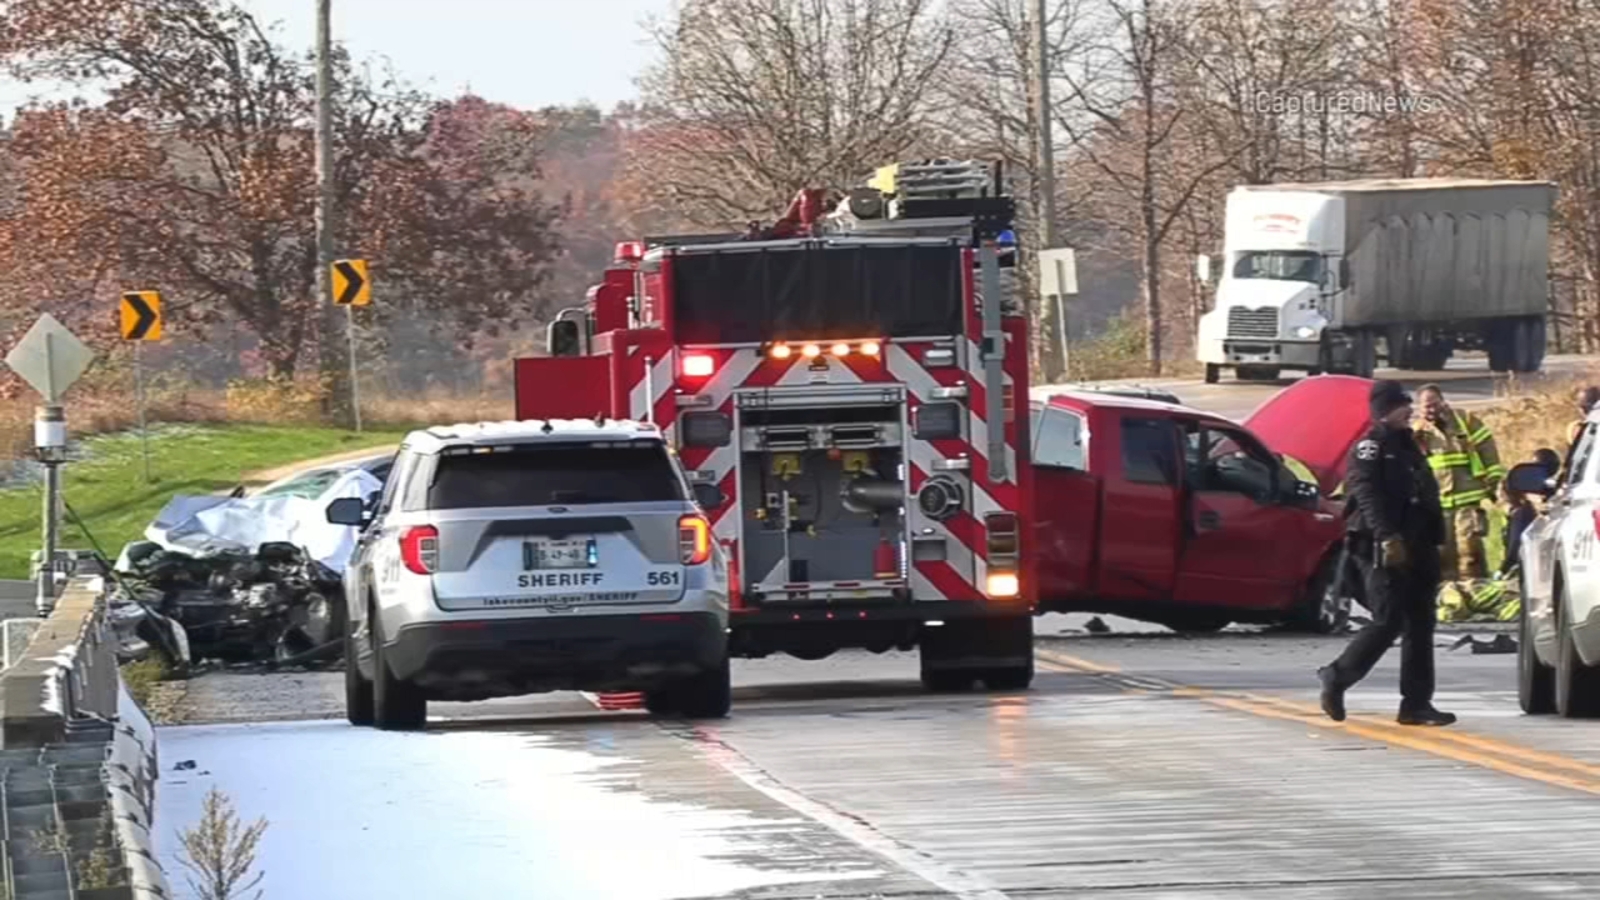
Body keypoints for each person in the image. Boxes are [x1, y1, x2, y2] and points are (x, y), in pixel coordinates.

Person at [1318, 380, 1454, 727]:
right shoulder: (1369, 448)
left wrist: (1439, 538)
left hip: (1419, 544)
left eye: (1407, 404)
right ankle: (1337, 676)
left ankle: (1416, 704)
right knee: (1388, 620)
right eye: (1400, 405)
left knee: (1421, 625)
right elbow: (1365, 493)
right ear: (1383, 410)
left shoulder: (1409, 445)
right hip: (1381, 546)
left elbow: (1425, 493)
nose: (1408, 410)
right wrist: (1387, 536)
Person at [1412, 384, 1504, 602]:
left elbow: (1488, 449)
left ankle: (1477, 594)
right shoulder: (1418, 432)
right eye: (1426, 407)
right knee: (1444, 553)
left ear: (1443, 402)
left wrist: (1493, 480)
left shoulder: (1465, 421)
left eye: (1434, 404)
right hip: (1439, 502)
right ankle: (1449, 598)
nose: (1431, 410)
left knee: (1470, 551)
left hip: (1468, 498)